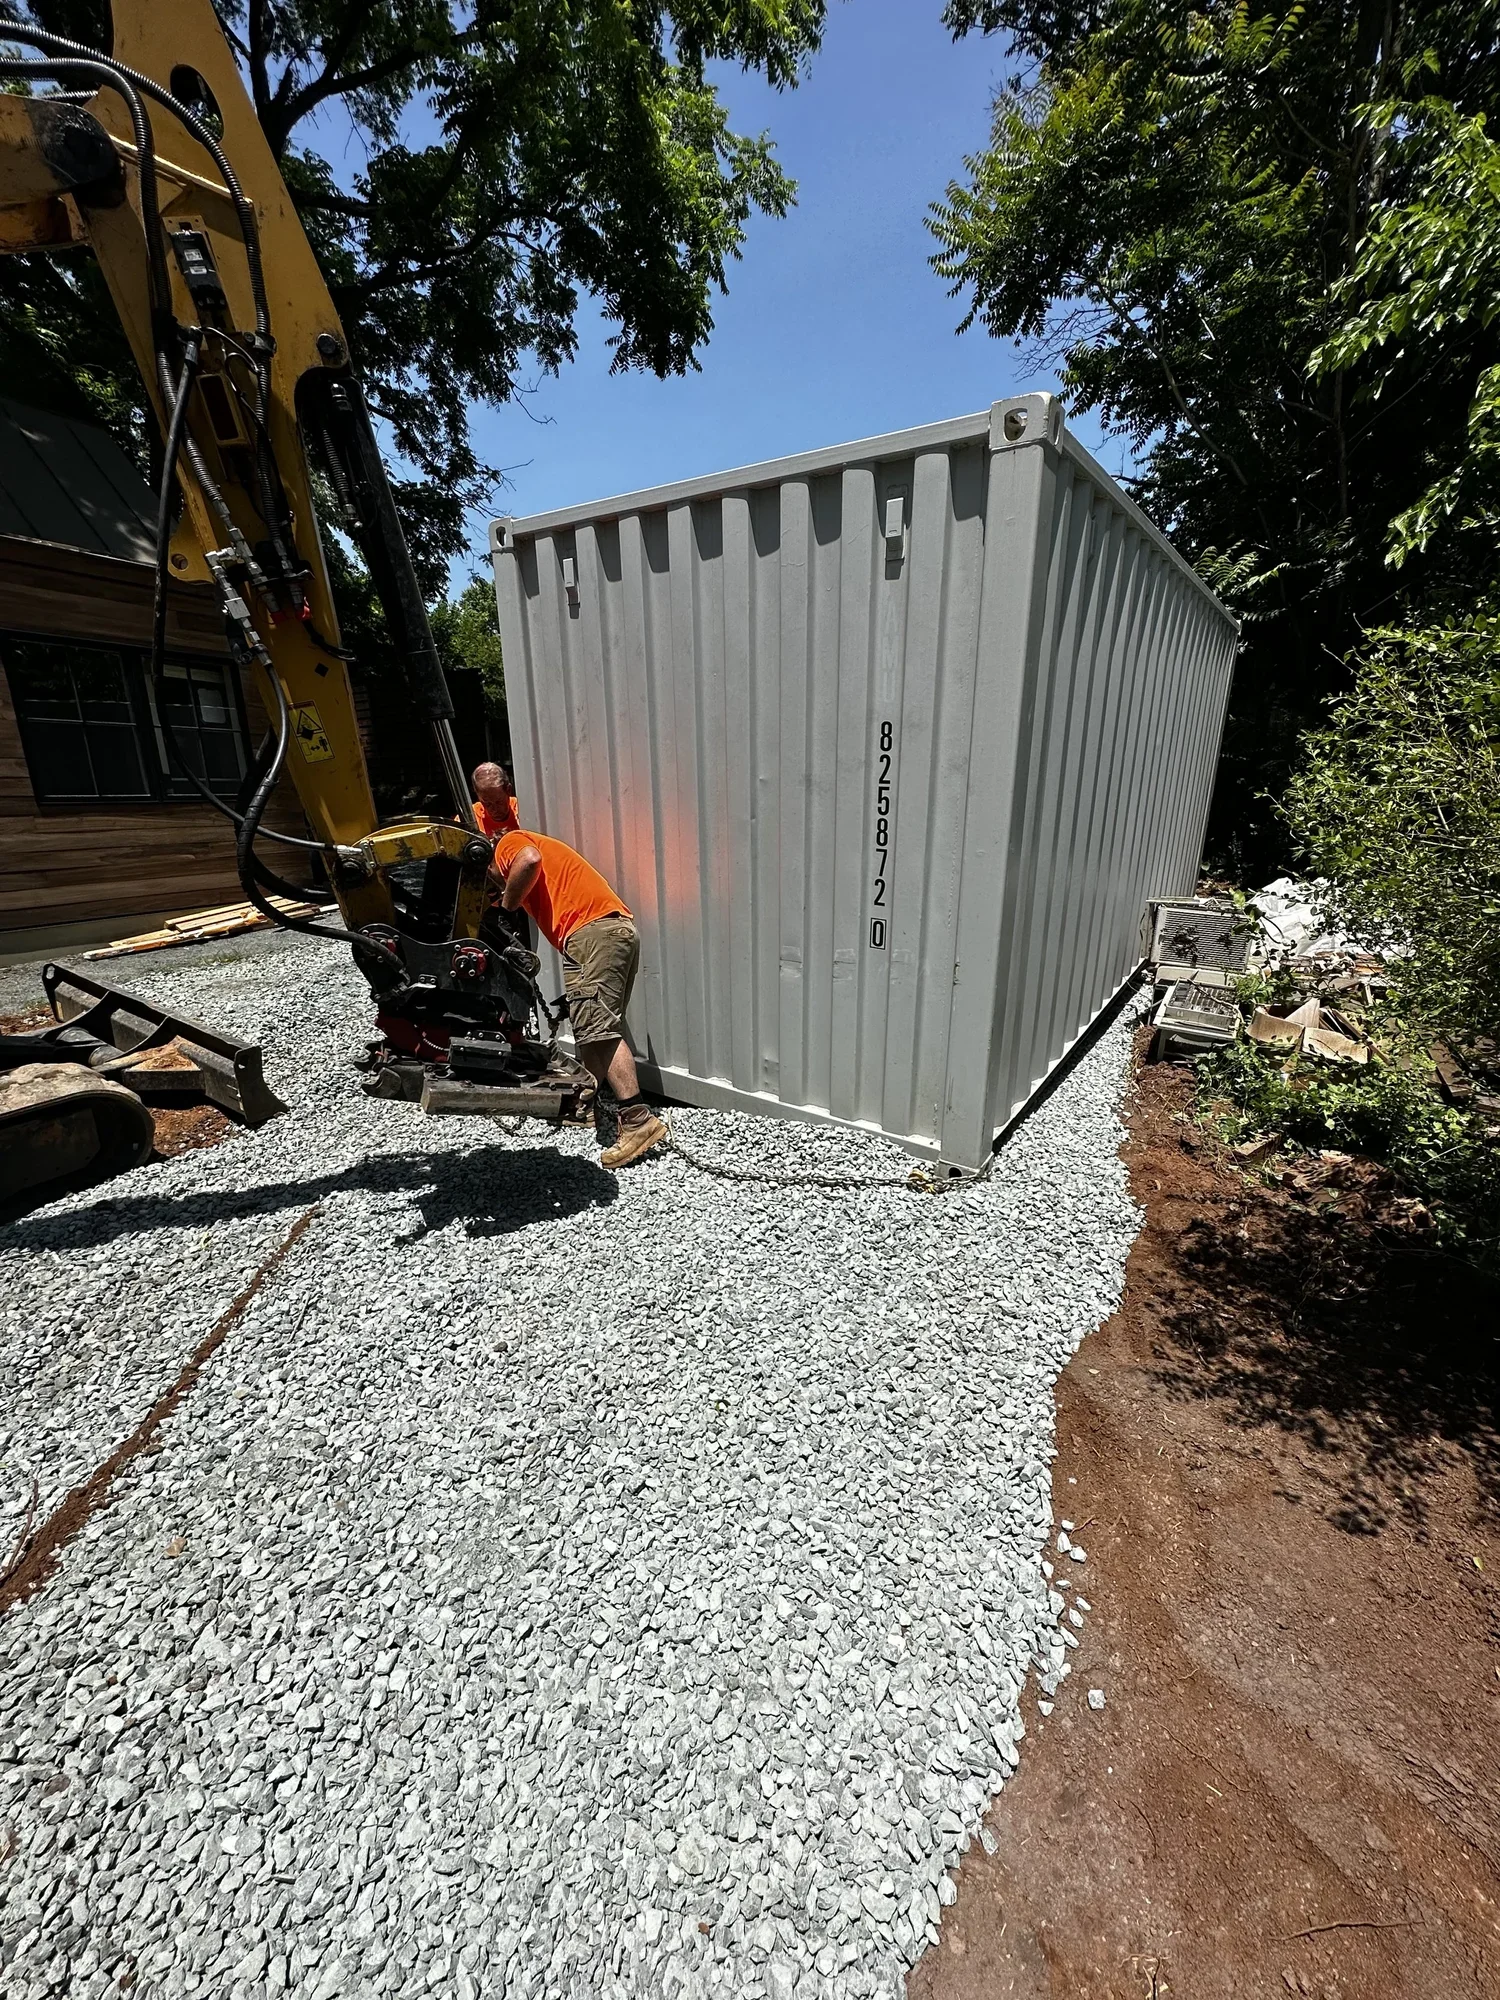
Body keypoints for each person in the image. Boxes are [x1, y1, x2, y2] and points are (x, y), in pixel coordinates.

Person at [490, 827, 666, 1169]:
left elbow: (528, 861)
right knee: (593, 1027)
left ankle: (637, 1119)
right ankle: (583, 1103)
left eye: (493, 881)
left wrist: (505, 905)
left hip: (592, 935)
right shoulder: (541, 850)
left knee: (599, 1033)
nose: (497, 887)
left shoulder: (508, 845)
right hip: (614, 933)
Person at [471, 761, 520, 841]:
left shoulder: (522, 811)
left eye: (499, 802)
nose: (494, 809)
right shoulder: (471, 817)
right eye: (487, 804)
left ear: (508, 790)